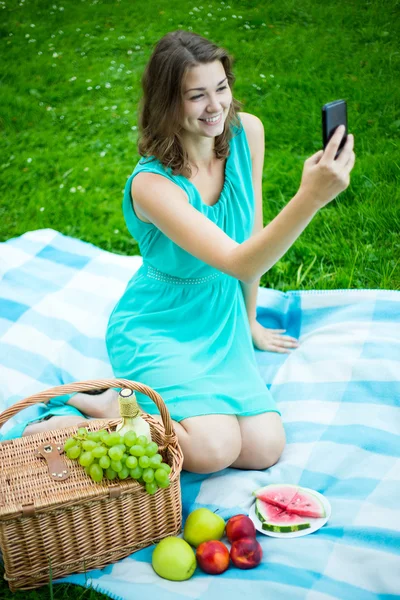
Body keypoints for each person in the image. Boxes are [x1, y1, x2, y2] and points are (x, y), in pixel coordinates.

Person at [24, 31, 355, 475]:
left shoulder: (246, 132)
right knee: (213, 451)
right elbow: (242, 260)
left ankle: (119, 403)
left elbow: (251, 238)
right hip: (160, 322)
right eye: (196, 96)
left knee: (263, 449)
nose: (216, 105)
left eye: (221, 87)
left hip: (220, 318)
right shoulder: (152, 185)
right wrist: (309, 198)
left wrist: (250, 320)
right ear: (167, 104)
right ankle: (103, 408)